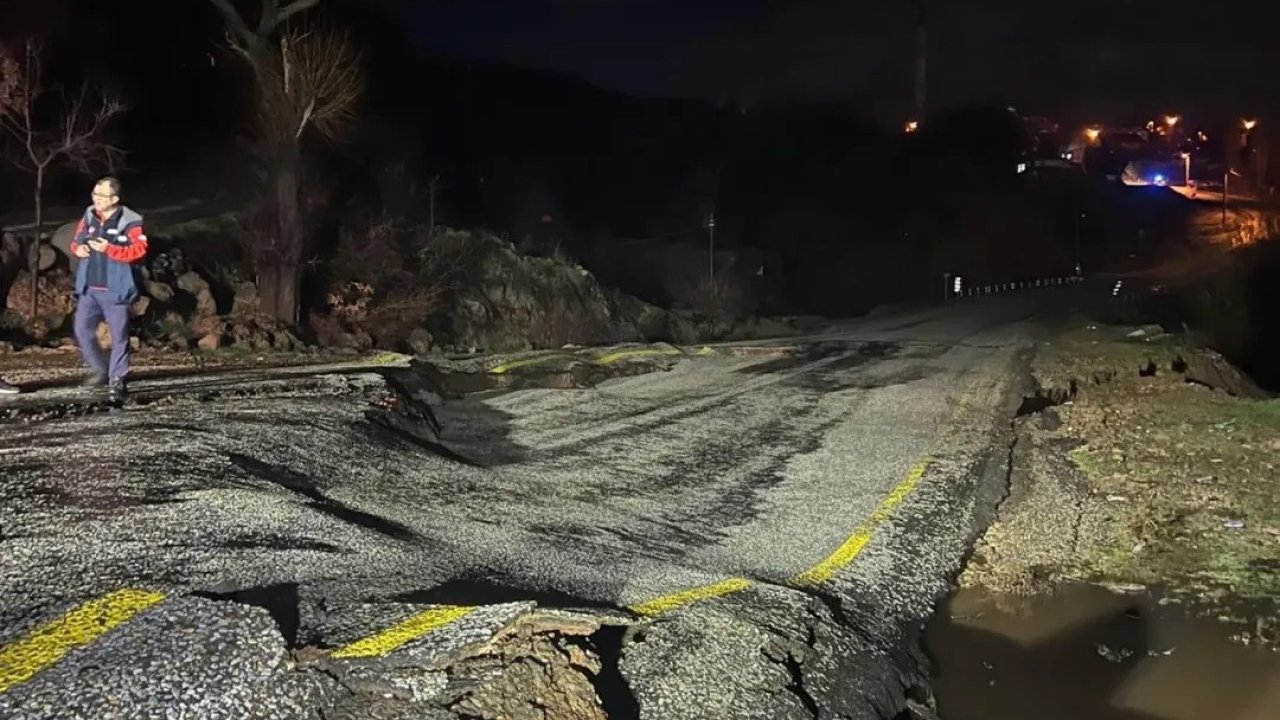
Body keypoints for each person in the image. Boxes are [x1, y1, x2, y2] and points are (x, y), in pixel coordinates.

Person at [69, 177, 148, 402]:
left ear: (114, 199)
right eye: (94, 194)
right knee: (82, 330)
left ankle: (117, 379)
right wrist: (78, 249)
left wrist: (109, 249)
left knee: (119, 336)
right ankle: (100, 369)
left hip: (116, 290)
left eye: (101, 196)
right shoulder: (89, 215)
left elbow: (139, 250)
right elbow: (76, 240)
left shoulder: (130, 220)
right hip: (89, 288)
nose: (96, 199)